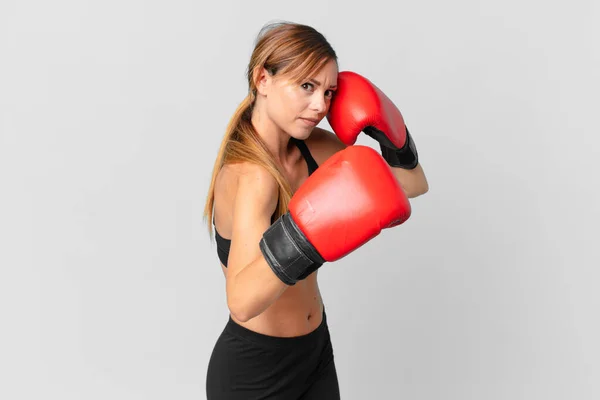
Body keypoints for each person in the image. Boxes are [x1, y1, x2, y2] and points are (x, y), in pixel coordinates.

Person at [203, 21, 429, 399]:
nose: (320, 106)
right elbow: (241, 302)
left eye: (329, 92)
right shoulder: (251, 176)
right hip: (256, 374)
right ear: (263, 79)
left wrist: (390, 135)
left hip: (315, 353)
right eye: (306, 86)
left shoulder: (314, 148)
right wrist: (307, 235)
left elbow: (412, 185)